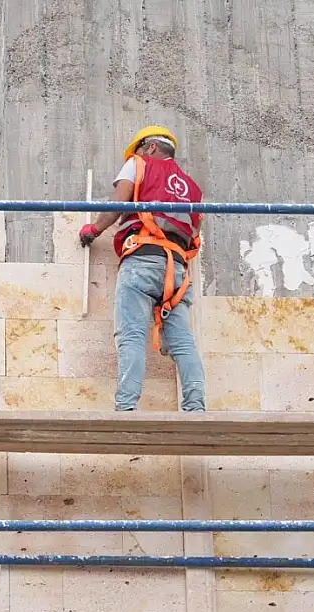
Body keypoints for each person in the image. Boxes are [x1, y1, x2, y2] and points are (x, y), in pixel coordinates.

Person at [78, 125, 206, 412]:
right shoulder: (192, 188)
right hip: (177, 270)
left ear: (148, 148)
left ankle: (126, 408)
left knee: (132, 336)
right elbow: (194, 231)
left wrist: (94, 229)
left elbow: (118, 203)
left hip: (142, 260)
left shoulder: (138, 164)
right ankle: (196, 408)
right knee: (183, 342)